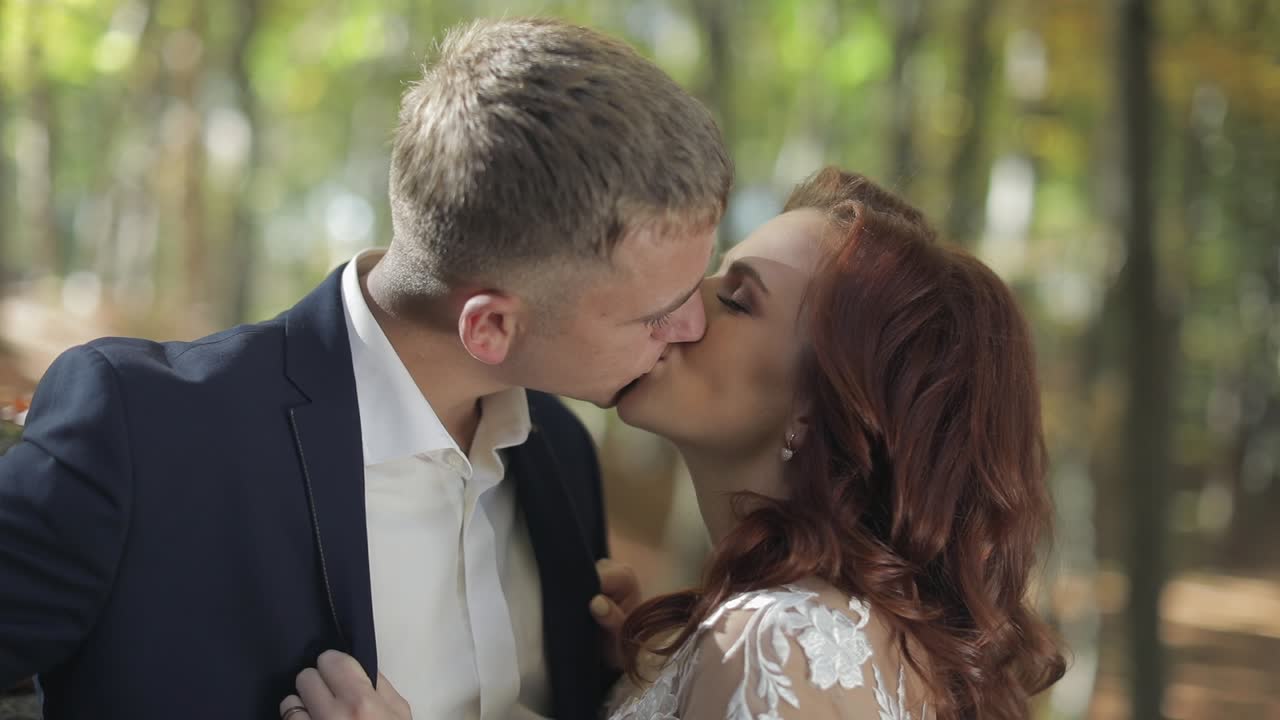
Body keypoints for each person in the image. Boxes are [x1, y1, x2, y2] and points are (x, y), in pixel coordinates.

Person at [0, 17, 731, 720]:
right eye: (654, 312)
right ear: (490, 326)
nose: (693, 324)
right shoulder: (141, 430)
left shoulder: (560, 455)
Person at [285, 168, 1065, 720]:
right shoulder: (853, 634)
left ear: (823, 408)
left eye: (735, 299)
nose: (679, 308)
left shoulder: (775, 645)